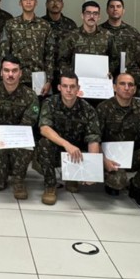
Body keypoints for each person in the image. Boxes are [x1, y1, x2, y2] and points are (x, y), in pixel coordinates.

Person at [0, 55, 41, 199]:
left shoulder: (30, 95)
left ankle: (18, 178)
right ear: (1, 72)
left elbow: (27, 123)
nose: (10, 74)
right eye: (6, 70)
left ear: (20, 73)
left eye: (14, 71)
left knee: (25, 148)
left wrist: (15, 140)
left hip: (19, 142)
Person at [35, 72, 101, 205]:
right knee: (44, 143)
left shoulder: (88, 109)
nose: (69, 90)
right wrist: (67, 145)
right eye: (65, 86)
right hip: (57, 148)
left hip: (77, 152)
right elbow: (44, 129)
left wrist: (92, 171)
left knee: (88, 147)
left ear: (78, 88)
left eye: (72, 86)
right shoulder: (50, 103)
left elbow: (93, 139)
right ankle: (50, 185)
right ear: (59, 87)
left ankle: (72, 176)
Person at [98, 72, 140, 207]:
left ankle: (136, 187)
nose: (126, 88)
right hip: (109, 157)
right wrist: (103, 160)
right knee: (118, 182)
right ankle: (110, 181)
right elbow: (94, 137)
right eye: (122, 84)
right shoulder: (103, 108)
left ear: (135, 89)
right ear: (114, 87)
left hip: (131, 154)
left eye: (130, 85)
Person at [0, 0, 52, 95]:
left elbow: (49, 55)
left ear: (36, 2)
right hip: (15, 76)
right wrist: (4, 76)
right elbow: (4, 52)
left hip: (38, 76)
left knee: (36, 104)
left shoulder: (44, 25)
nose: (28, 2)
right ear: (20, 3)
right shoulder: (11, 24)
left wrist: (49, 80)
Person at [55, 1, 113, 76]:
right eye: (88, 13)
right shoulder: (72, 36)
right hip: (76, 79)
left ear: (99, 17)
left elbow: (114, 59)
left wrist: (109, 71)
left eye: (95, 13)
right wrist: (70, 75)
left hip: (101, 79)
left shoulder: (107, 35)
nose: (92, 16)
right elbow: (62, 60)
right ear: (82, 15)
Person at [43, 0, 78, 85]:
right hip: (44, 70)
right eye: (52, 1)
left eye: (58, 1)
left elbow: (75, 48)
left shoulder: (70, 25)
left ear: (62, 4)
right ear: (46, 4)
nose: (55, 4)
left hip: (65, 70)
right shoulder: (41, 24)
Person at [99, 0, 139, 77]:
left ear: (123, 10)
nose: (115, 9)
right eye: (112, 7)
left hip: (126, 76)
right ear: (107, 10)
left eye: (118, 6)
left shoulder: (132, 32)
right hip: (103, 75)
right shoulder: (99, 31)